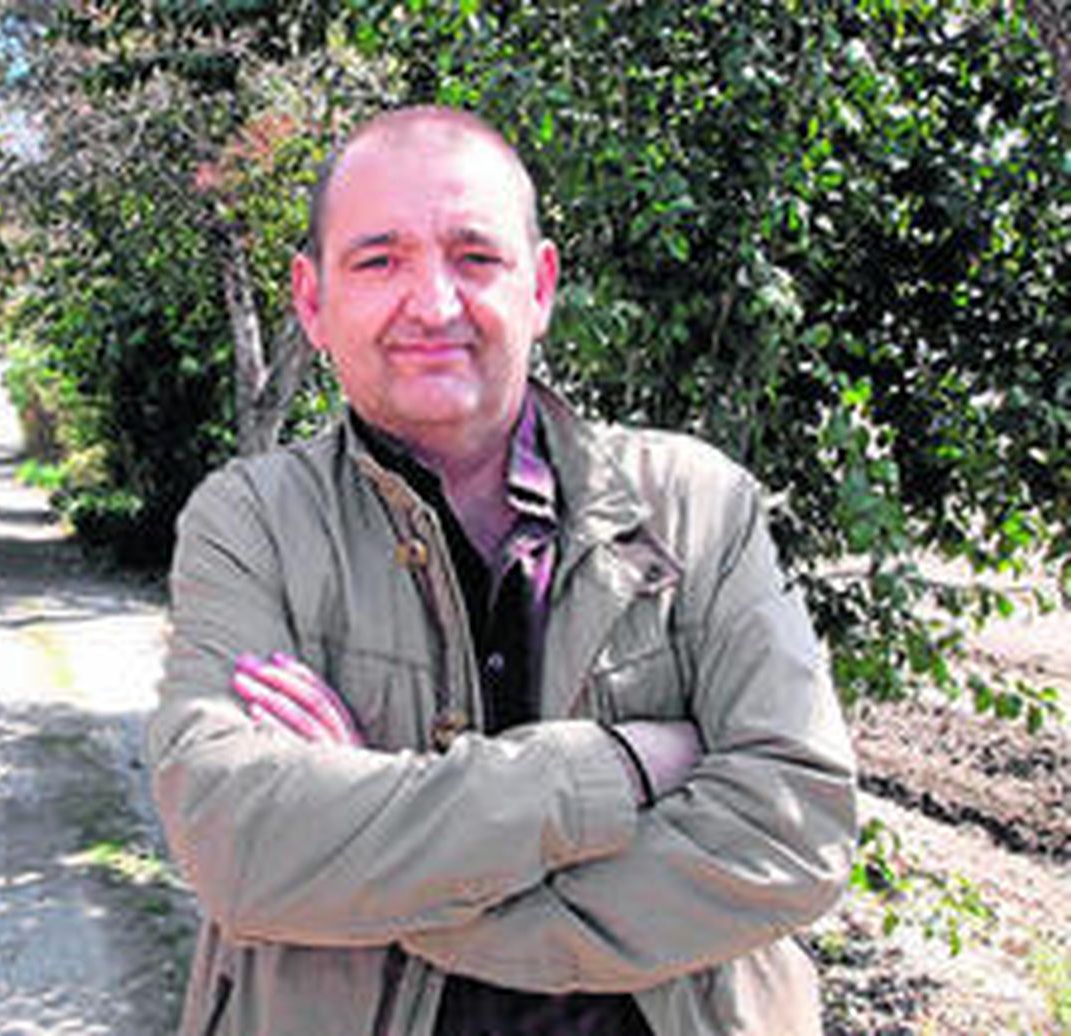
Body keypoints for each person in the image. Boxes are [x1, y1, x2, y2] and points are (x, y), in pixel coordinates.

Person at [146, 105, 857, 1036]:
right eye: (379, 260)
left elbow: (794, 825)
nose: (434, 304)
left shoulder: (694, 505)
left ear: (541, 287)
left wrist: (411, 885)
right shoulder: (253, 525)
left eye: (475, 258)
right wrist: (618, 767)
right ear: (312, 300)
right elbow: (239, 845)